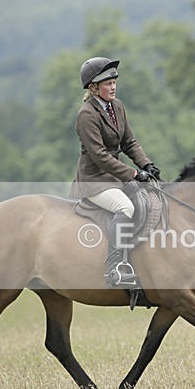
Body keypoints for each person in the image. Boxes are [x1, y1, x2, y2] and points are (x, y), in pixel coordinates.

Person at [73, 56, 161, 288]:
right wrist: (132, 174)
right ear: (93, 88)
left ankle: (142, 260)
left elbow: (130, 142)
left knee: (150, 197)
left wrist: (146, 165)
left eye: (114, 82)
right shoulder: (86, 115)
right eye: (107, 83)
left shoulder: (117, 107)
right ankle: (114, 268)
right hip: (94, 181)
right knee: (125, 207)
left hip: (114, 178)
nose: (113, 86)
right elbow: (99, 155)